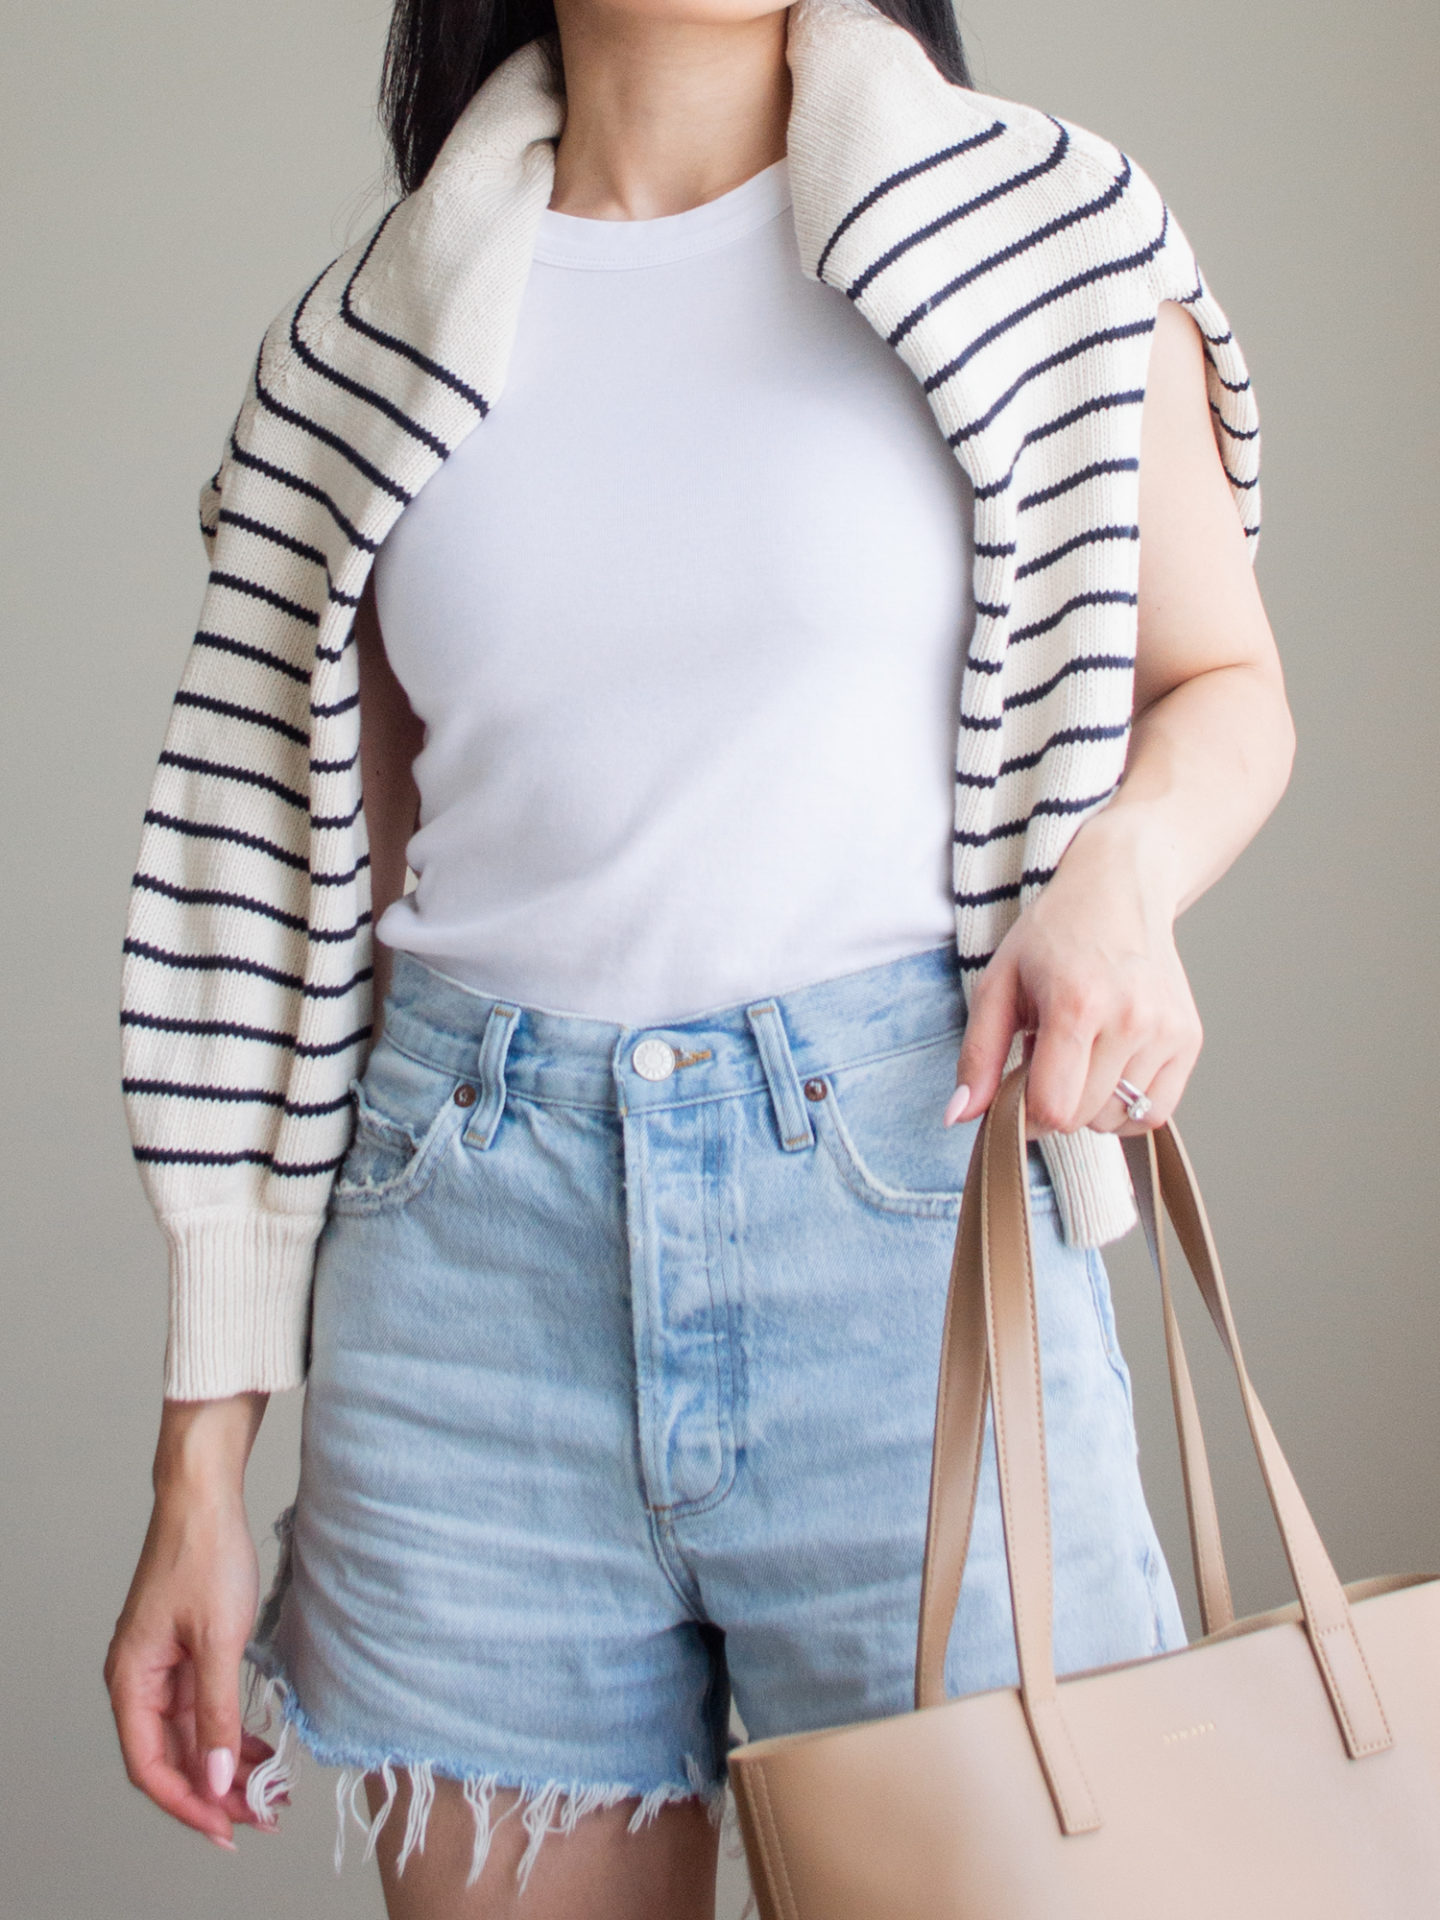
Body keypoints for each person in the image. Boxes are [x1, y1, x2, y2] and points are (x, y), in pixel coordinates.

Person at [103, 0, 1294, 1912]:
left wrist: (1120, 879)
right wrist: (200, 1476)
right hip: (467, 1288)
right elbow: (282, 910)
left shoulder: (1042, 234)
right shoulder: (361, 353)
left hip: (922, 1260)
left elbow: (1226, 684)